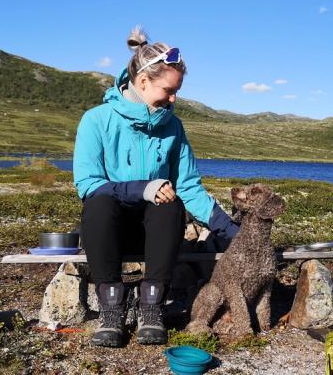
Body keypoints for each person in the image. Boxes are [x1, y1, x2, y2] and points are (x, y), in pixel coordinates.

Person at [73, 26, 239, 347]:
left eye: (177, 90)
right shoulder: (96, 120)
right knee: (98, 203)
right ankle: (111, 312)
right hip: (110, 232)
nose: (174, 98)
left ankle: (152, 309)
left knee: (170, 202)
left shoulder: (173, 126)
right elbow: (88, 184)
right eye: (168, 90)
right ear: (144, 81)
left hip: (157, 234)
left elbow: (189, 186)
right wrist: (142, 188)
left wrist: (229, 231)